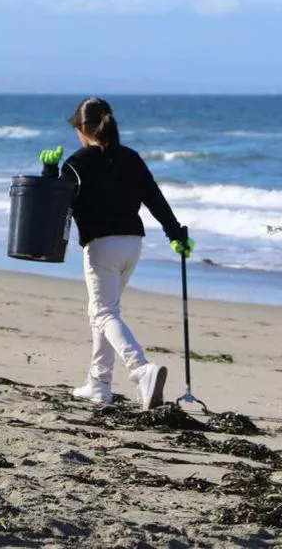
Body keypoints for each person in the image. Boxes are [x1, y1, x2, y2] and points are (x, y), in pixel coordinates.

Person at [40, 97, 194, 410]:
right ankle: (99, 384)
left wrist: (49, 172)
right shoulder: (131, 158)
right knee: (103, 311)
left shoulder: (77, 163)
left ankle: (141, 369)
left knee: (104, 312)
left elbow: (55, 205)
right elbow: (155, 198)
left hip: (102, 246)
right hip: (132, 244)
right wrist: (175, 234)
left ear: (82, 128)